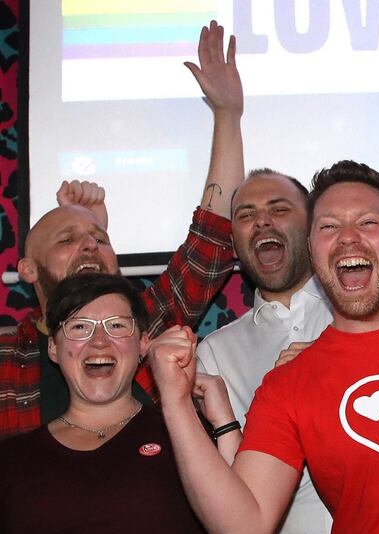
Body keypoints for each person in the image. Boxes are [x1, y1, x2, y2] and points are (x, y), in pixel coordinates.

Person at [193, 3, 379, 534]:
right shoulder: (216, 351)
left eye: (280, 207)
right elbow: (241, 504)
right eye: (246, 215)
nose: (262, 221)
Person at [156, 160, 379, 534]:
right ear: (312, 249)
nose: (348, 238)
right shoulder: (287, 386)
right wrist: (175, 401)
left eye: (367, 222)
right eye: (329, 227)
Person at [0, 20, 240, 440]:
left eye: (100, 240)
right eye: (66, 240)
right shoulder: (7, 358)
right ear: (29, 269)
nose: (90, 245)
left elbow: (212, 238)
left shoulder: (147, 326)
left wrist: (228, 114)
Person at [0, 273, 238, 534]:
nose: (99, 341)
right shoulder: (14, 459)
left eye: (116, 326)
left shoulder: (183, 433)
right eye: (79, 328)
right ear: (53, 349)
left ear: (143, 344)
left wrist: (224, 422)